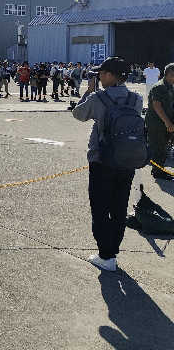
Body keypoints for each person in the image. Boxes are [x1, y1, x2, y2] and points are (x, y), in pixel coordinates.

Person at [72, 56, 142, 272]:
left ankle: (105, 255)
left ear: (111, 75)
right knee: (119, 207)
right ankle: (113, 251)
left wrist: (88, 91)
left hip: (102, 160)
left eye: (101, 73)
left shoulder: (98, 98)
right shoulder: (136, 99)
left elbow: (78, 114)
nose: (99, 77)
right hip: (128, 159)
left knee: (100, 207)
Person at [145, 62, 174, 181]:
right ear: (168, 74)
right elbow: (157, 106)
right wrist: (168, 122)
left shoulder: (170, 86)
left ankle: (159, 170)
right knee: (158, 148)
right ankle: (157, 172)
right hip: (157, 123)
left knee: (163, 147)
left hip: (165, 123)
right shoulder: (159, 87)